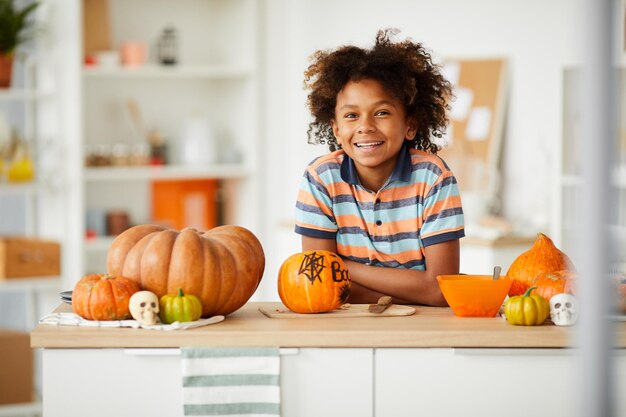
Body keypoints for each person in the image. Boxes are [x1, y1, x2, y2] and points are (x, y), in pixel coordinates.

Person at [294, 29, 464, 306]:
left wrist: (344, 267)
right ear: (336, 130)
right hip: (343, 326)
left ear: (410, 124)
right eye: (351, 115)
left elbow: (439, 290)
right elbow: (320, 286)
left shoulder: (434, 178)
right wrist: (417, 289)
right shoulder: (320, 179)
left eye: (382, 112)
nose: (365, 126)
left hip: (422, 328)